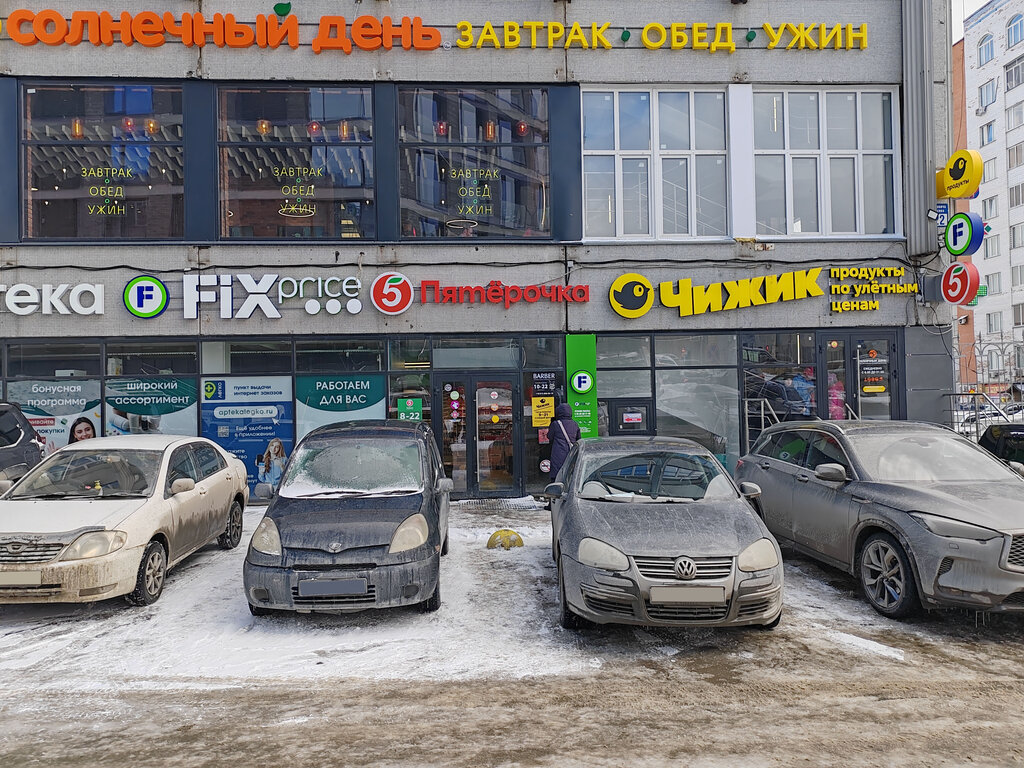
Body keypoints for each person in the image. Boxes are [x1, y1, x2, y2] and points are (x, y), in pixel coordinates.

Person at [549, 403, 581, 480]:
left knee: (557, 471)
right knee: (569, 472)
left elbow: (549, 437)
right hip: (571, 452)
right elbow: (579, 439)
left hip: (558, 452)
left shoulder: (555, 424)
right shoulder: (575, 424)